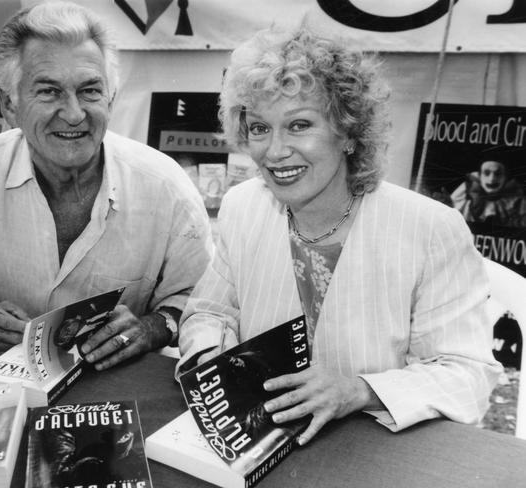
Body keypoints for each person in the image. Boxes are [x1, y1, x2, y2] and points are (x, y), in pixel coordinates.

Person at [176, 23, 501, 445]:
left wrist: (360, 390)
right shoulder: (243, 206)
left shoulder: (430, 228)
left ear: (347, 132)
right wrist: (214, 353)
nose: (274, 151)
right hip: (269, 443)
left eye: (298, 125)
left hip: (377, 451)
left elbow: (467, 374)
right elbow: (209, 312)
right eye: (259, 128)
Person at [0, 1, 212, 370]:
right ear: (9, 104)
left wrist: (151, 328)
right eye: (49, 91)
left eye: (90, 91)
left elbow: (202, 301)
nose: (74, 114)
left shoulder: (165, 185)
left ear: (111, 99)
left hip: (117, 388)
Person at [450, 158, 526, 226]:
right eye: (486, 173)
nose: (492, 179)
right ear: (480, 176)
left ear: (505, 177)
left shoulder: (517, 202)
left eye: (498, 174)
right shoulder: (464, 198)